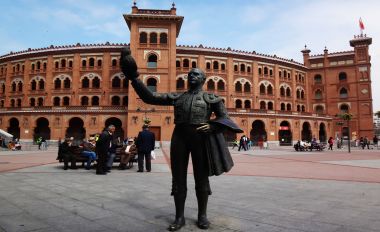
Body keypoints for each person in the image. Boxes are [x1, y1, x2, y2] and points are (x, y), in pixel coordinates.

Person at [120, 48, 242, 231]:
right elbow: (150, 97)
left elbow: (226, 118)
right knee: (178, 178)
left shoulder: (212, 98)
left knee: (201, 178)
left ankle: (202, 215)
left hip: (201, 138)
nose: (191, 76)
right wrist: (134, 79)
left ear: (203, 79)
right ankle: (179, 217)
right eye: (189, 74)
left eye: (196, 74)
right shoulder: (178, 97)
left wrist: (213, 126)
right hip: (180, 137)